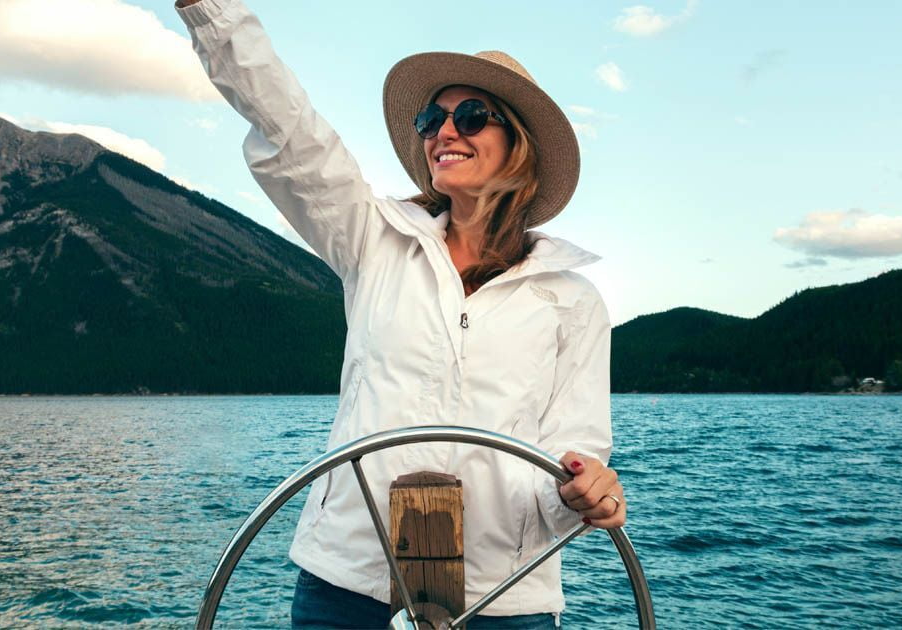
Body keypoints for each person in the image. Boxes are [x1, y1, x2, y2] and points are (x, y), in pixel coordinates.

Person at [174, 0, 626, 627]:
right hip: (348, 581)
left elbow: (571, 449)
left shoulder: (571, 300)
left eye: (471, 116)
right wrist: (209, 12)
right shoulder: (372, 241)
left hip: (504, 594)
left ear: (518, 145)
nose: (445, 131)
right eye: (430, 118)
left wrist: (582, 486)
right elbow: (293, 134)